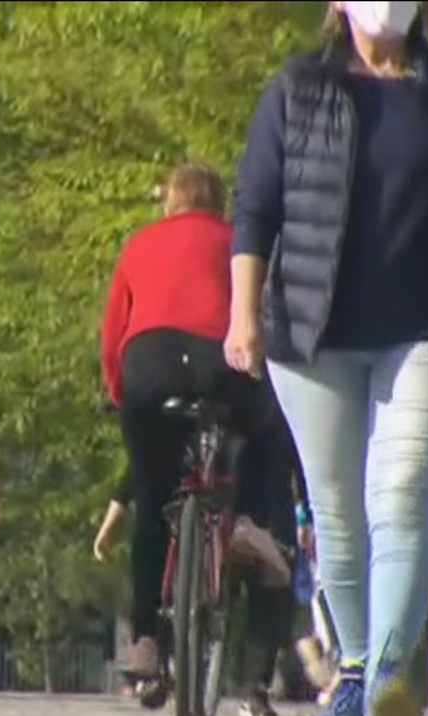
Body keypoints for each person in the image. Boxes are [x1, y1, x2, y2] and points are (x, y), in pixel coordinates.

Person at [225, 2, 428, 716]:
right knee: (338, 513)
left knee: (403, 497)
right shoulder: (298, 88)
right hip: (309, 333)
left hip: (424, 329)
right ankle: (355, 666)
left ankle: (387, 684)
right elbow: (254, 207)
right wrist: (240, 314)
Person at [99, 161, 291, 686]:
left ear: (171, 201)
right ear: (218, 203)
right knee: (265, 425)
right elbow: (265, 315)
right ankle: (250, 520)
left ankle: (142, 640)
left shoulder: (140, 244)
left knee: (151, 498)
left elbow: (114, 329)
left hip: (149, 365)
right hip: (220, 362)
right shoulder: (236, 241)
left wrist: (120, 396)